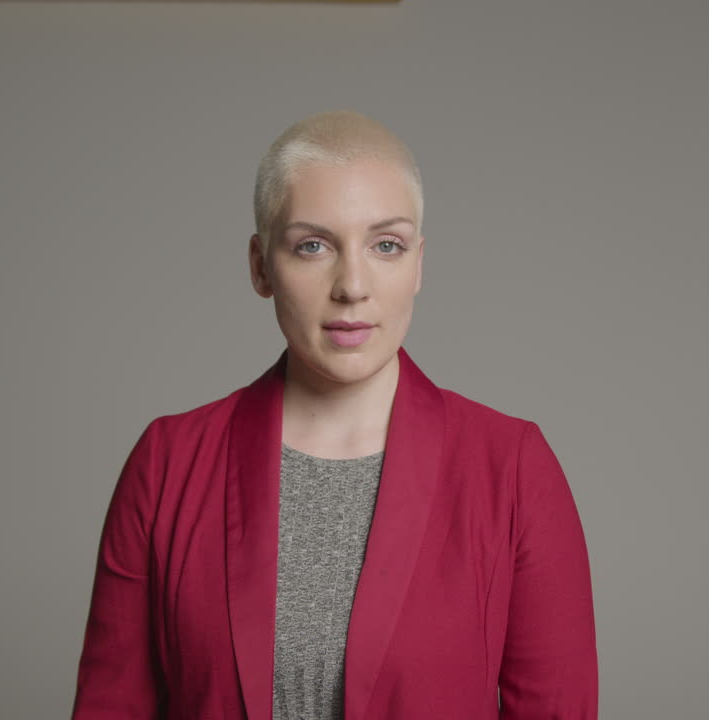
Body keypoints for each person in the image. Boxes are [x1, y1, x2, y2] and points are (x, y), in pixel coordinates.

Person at [70, 110, 598, 720]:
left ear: (419, 264)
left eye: (386, 245)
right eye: (312, 245)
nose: (352, 284)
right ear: (261, 266)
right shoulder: (167, 464)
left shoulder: (512, 470)